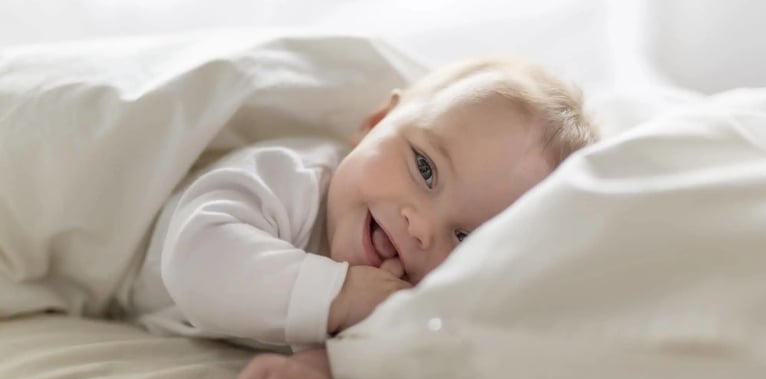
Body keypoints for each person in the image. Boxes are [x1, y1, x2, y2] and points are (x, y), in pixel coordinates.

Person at [128, 56, 598, 356]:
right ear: (376, 123)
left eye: (465, 236)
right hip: (113, 250)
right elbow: (197, 260)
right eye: (426, 169)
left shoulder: (402, 297)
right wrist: (340, 296)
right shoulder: (288, 178)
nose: (420, 226)